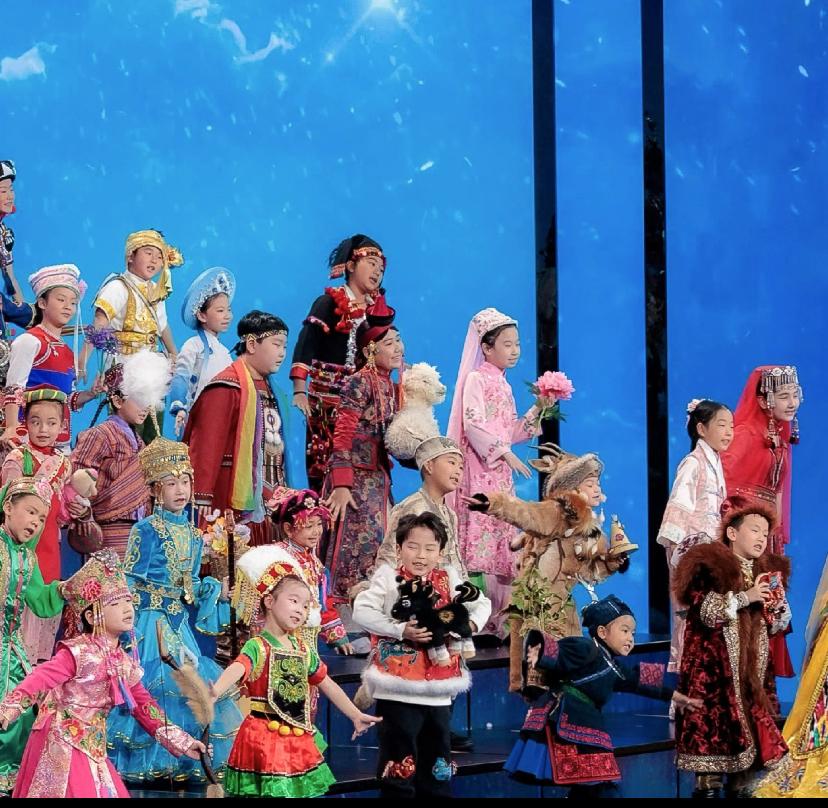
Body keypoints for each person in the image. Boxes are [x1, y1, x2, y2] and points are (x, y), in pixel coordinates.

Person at [0, 549, 205, 798]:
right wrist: (11, 707)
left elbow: (144, 706)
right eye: (115, 603)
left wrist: (182, 741)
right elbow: (42, 677)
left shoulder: (123, 662)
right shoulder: (78, 652)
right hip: (61, 739)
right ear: (91, 615)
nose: (127, 609)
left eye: (128, 601)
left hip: (93, 745)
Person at [107, 437, 242, 783]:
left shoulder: (194, 535)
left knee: (186, 687)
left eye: (184, 481)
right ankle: (148, 759)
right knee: (154, 684)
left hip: (179, 621)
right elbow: (129, 578)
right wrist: (124, 625)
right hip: (150, 620)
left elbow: (190, 586)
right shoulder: (146, 530)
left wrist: (215, 589)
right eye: (171, 483)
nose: (180, 490)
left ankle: (185, 757)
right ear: (156, 490)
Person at [211, 544, 380, 798]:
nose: (301, 610)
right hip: (265, 736)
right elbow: (239, 667)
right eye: (293, 601)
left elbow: (326, 683)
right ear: (269, 601)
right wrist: (215, 691)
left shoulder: (303, 649)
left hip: (296, 737)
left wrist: (355, 714)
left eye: (305, 606)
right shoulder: (259, 646)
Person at [353, 512, 491, 798]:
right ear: (399, 548)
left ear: (440, 552)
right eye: (413, 547)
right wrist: (401, 630)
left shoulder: (449, 579)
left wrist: (469, 626)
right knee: (398, 770)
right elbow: (361, 611)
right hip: (397, 690)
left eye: (430, 548)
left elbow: (483, 603)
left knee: (437, 770)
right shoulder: (388, 579)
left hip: (440, 690)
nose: (421, 555)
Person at [504, 595, 698, 797]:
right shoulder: (587, 647)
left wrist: (677, 696)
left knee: (595, 783)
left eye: (632, 633)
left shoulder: (614, 667)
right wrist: (539, 652)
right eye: (624, 631)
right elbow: (560, 651)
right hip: (570, 717)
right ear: (602, 632)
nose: (630, 638)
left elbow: (639, 682)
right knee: (596, 784)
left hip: (587, 722)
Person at [673, 492, 790, 798]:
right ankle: (708, 783)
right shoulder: (709, 566)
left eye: (765, 533)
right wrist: (745, 597)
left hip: (752, 672)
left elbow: (777, 626)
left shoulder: (767, 573)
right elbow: (707, 612)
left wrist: (777, 608)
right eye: (755, 530)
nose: (762, 538)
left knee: (748, 756)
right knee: (714, 727)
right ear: (733, 533)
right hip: (715, 672)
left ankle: (742, 781)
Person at [447, 307, 540, 638]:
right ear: (486, 347)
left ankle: (500, 620)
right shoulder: (477, 378)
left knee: (502, 540)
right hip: (479, 469)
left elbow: (510, 431)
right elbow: (473, 424)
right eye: (507, 344)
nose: (514, 351)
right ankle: (475, 617)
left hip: (499, 471)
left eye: (517, 344)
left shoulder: (503, 384)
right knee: (479, 541)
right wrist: (504, 453)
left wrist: (540, 407)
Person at [321, 296, 402, 618]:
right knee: (353, 547)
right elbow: (341, 435)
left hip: (379, 480)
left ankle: (374, 615)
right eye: (390, 343)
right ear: (370, 350)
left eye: (399, 342)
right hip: (354, 481)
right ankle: (341, 617)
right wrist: (342, 484)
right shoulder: (358, 382)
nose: (398, 348)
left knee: (380, 545)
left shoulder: (391, 386)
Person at [184, 310, 290, 547]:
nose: (282, 353)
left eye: (284, 346)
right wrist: (201, 499)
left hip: (274, 495)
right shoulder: (226, 387)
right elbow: (205, 447)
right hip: (230, 499)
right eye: (276, 344)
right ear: (251, 344)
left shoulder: (275, 392)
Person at [291, 233, 387, 492]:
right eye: (371, 264)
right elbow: (307, 342)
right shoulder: (329, 302)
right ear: (351, 265)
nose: (377, 272)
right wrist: (299, 390)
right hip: (326, 401)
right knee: (325, 463)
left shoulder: (376, 312)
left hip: (362, 403)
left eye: (381, 269)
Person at [1, 389, 87, 663]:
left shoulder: (64, 464)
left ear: (62, 426)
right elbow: (6, 502)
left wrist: (78, 510)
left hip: (50, 545)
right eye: (36, 422)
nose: (43, 429)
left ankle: (35, 672)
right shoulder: (17, 459)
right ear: (25, 423)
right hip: (20, 546)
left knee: (44, 599)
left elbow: (61, 510)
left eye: (51, 423)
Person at [0, 475, 66, 794]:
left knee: (22, 712)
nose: (36, 523)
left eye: (41, 519)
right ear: (8, 507)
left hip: (11, 650)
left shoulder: (28, 558)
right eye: (30, 512)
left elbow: (40, 599)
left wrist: (64, 589)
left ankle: (10, 781)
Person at [69, 352, 169, 559]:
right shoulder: (100, 434)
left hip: (140, 530)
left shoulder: (139, 442)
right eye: (139, 399)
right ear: (117, 400)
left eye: (148, 399)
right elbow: (78, 475)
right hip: (108, 529)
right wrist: (84, 509)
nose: (146, 407)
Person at [657, 398, 732, 673]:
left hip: (712, 552)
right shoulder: (692, 463)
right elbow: (678, 508)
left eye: (731, 426)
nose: (729, 432)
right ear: (701, 429)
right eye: (722, 425)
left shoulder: (714, 462)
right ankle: (689, 680)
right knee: (692, 616)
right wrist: (682, 559)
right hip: (693, 554)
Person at [2, 264, 99, 448]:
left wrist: (91, 393)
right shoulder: (30, 341)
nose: (68, 307)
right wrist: (12, 428)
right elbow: (13, 389)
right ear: (42, 303)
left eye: (73, 303)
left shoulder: (68, 352)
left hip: (60, 443)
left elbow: (68, 400)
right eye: (61, 300)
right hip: (28, 439)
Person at [168, 266, 235, 437]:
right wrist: (180, 407)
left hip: (221, 420)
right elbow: (181, 376)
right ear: (202, 315)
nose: (228, 315)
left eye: (228, 310)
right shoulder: (194, 346)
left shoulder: (225, 353)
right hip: (197, 419)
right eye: (220, 311)